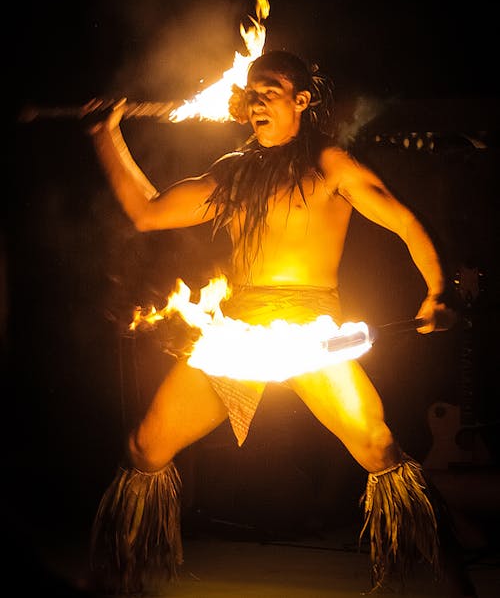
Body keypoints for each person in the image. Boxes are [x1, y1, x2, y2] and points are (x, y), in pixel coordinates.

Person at [88, 50, 475, 595]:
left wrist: (438, 291)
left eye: (269, 88)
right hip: (238, 331)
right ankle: (115, 582)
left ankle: (460, 587)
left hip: (310, 329)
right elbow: (148, 212)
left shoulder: (330, 164)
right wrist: (107, 135)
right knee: (145, 448)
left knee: (380, 448)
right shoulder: (231, 173)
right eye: (250, 91)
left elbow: (404, 221)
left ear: (302, 100)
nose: (255, 99)